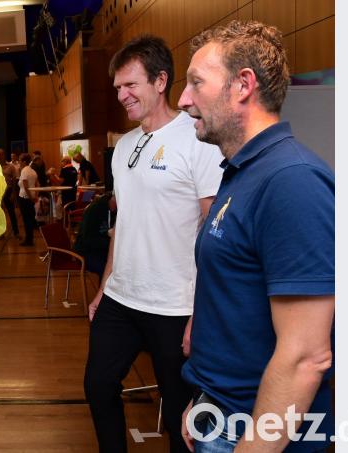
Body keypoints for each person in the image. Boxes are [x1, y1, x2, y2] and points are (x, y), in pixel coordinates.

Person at [177, 20, 334, 452]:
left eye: (195, 83)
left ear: (242, 85)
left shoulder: (291, 181)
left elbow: (306, 356)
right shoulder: (244, 172)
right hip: (222, 416)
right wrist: (205, 402)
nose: (183, 99)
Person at [83, 35, 224, 453]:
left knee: (180, 410)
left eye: (131, 85)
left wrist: (204, 310)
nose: (122, 96)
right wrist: (105, 285)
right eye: (118, 89)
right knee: (97, 386)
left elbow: (214, 228)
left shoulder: (198, 139)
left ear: (160, 81)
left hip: (175, 305)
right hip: (121, 298)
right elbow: (122, 221)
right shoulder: (123, 147)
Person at [0, 149, 20, 239]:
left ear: (4, 155)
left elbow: (14, 181)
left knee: (11, 213)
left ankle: (16, 233)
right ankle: (1, 234)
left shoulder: (11, 167)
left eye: (0, 155)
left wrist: (13, 194)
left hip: (8, 191)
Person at [16, 153, 38, 246]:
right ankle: (30, 239)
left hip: (25, 198)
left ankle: (29, 240)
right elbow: (37, 185)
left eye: (20, 160)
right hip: (31, 198)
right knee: (30, 219)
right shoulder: (33, 171)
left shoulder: (24, 170)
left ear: (24, 161)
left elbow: (25, 186)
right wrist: (35, 196)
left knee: (26, 220)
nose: (19, 162)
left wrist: (30, 196)